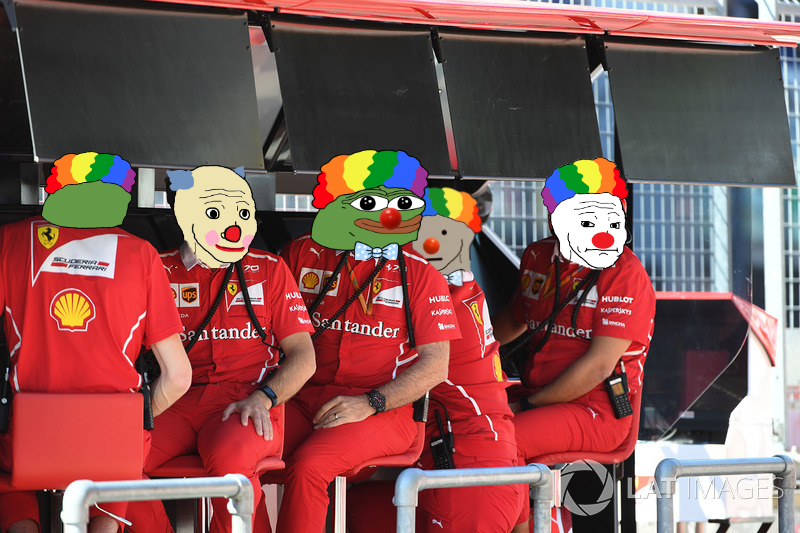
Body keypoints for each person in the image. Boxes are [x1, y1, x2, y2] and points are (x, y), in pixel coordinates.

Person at [0, 152, 192, 533]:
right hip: (112, 442)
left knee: (9, 478)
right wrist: (132, 421)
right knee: (117, 468)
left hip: (30, 436)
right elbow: (178, 377)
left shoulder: (10, 242)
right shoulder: (142, 254)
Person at [275, 150, 461, 533]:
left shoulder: (421, 274)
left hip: (381, 409)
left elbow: (435, 365)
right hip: (300, 398)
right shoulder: (300, 253)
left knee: (309, 466)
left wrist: (370, 403)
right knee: (240, 446)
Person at [126, 165, 316, 533]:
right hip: (172, 400)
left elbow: (304, 357)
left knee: (232, 468)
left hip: (247, 402)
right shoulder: (156, 268)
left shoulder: (270, 268)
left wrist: (263, 398)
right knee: (114, 459)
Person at [491, 158, 656, 532]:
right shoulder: (538, 256)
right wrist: (454, 354)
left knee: (502, 441)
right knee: (462, 425)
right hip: (536, 395)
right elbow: (514, 320)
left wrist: (526, 405)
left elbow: (598, 366)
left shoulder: (625, 274)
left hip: (596, 409)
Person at [346, 187, 524, 532]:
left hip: (469, 473)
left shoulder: (430, 290)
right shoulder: (455, 280)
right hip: (481, 458)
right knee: (354, 508)